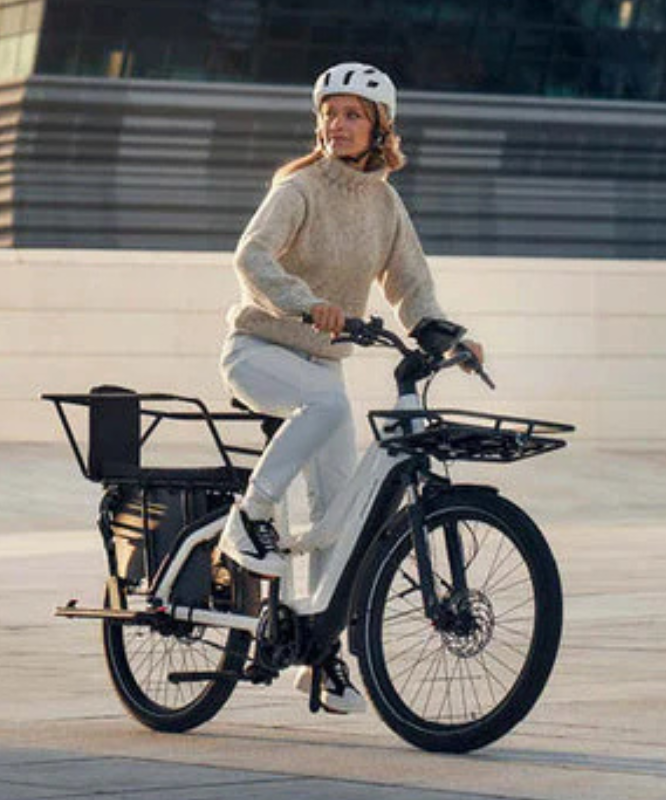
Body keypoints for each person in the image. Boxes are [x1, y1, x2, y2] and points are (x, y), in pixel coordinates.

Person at [216, 62, 483, 714]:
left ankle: (317, 653)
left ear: (379, 129)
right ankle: (250, 518)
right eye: (331, 113)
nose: (338, 124)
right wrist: (307, 304)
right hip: (259, 348)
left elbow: (411, 287)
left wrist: (448, 337)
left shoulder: (384, 203)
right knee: (330, 403)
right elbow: (252, 257)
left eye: (353, 115)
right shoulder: (298, 189)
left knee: (339, 510)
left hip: (320, 366)